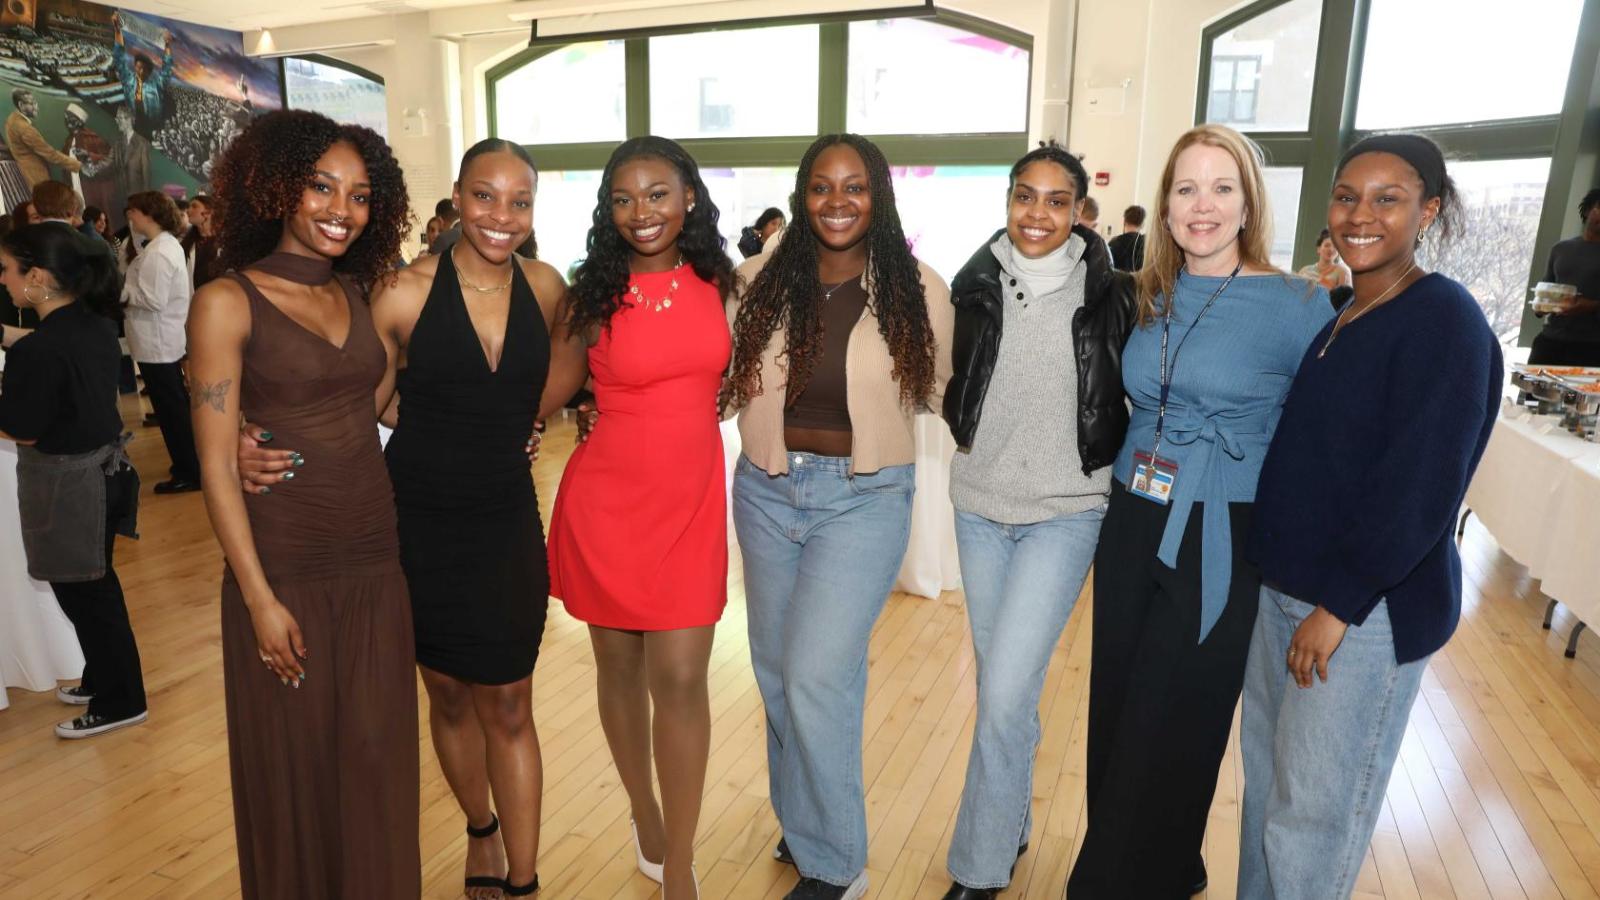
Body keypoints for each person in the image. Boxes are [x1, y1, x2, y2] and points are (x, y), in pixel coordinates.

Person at [238, 138, 569, 899]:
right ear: (457, 196)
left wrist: (535, 418)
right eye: (486, 197)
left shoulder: (549, 287)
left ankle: (524, 881)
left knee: (511, 702)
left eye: (520, 201)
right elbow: (356, 400)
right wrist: (240, 445)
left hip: (507, 523)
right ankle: (480, 832)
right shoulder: (402, 292)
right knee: (447, 696)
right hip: (415, 522)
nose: (502, 216)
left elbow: (563, 365)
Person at [1066, 124, 1332, 899]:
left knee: (1174, 714)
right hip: (1133, 516)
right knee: (1118, 707)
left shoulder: (1299, 304)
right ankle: (1168, 869)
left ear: (1248, 204)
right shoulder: (1144, 294)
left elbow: (1321, 440)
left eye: (1222, 188)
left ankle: (1107, 885)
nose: (1203, 205)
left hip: (1223, 526)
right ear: (1166, 205)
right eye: (1186, 188)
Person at [1240, 134, 1501, 899]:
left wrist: (1339, 604)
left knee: (1314, 818)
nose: (1361, 214)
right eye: (1348, 195)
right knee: (1268, 798)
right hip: (1287, 592)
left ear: (1430, 210)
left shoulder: (1442, 319)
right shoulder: (1345, 314)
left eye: (1388, 198)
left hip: (1359, 613)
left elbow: (1422, 484)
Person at [187, 109, 420, 898]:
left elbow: (377, 402)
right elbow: (217, 463)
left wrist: (497, 429)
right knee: (294, 765)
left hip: (374, 555)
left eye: (358, 195)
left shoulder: (359, 291)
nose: (339, 210)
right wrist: (257, 598)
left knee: (375, 759)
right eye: (321, 186)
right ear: (277, 187)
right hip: (284, 562)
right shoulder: (226, 300)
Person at [725, 133, 952, 900]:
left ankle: (835, 866)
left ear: (878, 197)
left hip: (862, 500)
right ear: (801, 195)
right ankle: (803, 819)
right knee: (777, 672)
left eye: (855, 187)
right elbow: (720, 377)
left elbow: (941, 390)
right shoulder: (756, 280)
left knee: (819, 673)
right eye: (822, 187)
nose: (837, 201)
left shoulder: (918, 287)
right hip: (765, 488)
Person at [939, 143, 1135, 900]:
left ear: (1081, 210)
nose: (1038, 213)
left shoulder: (1115, 292)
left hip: (1068, 509)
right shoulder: (973, 282)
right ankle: (1010, 816)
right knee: (1005, 689)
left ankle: (979, 868)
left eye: (1057, 200)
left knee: (1006, 691)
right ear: (1008, 199)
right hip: (980, 507)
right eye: (1026, 196)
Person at [546, 135, 734, 900]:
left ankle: (680, 861)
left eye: (657, 194)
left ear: (688, 196)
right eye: (623, 199)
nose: (641, 212)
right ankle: (644, 815)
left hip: (689, 504)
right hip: (606, 503)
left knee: (683, 677)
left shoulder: (724, 281)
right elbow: (544, 394)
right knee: (618, 672)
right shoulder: (589, 296)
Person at [0, 223, 147, 739]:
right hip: (102, 477)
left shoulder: (39, 352)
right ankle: (105, 678)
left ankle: (120, 699)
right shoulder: (90, 323)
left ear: (37, 277)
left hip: (71, 487)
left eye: (7, 270)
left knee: (86, 594)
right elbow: (48, 349)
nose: (3, 281)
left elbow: (20, 427)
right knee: (94, 588)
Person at [122, 190, 199, 493]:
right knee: (173, 410)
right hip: (160, 342)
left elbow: (153, 299)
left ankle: (189, 471)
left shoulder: (159, 251)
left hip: (159, 344)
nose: (130, 216)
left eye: (134, 211)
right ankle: (188, 465)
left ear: (149, 214)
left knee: (172, 413)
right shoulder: (162, 246)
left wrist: (123, 292)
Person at [1529, 187, 1600, 365]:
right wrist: (1540, 305)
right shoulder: (1561, 249)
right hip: (1550, 338)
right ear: (1586, 210)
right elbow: (1546, 287)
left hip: (1590, 345)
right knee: (1532, 392)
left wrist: (1591, 306)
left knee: (1577, 394)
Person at [111, 12, 175, 137]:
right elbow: (119, 58)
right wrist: (117, 30)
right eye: (138, 67)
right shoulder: (129, 80)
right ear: (135, 67)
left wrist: (167, 45)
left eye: (144, 69)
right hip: (132, 128)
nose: (141, 71)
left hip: (151, 130)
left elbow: (167, 69)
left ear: (149, 71)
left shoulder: (156, 85)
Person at [5, 89, 83, 188]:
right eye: (32, 104)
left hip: (26, 171)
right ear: (21, 105)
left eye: (35, 102)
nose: (36, 107)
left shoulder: (12, 118)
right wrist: (78, 165)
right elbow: (50, 154)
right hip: (36, 175)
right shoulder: (25, 129)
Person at [110, 105, 151, 205]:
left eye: (119, 118)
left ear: (128, 120)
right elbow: (108, 161)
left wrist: (146, 199)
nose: (116, 121)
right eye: (116, 118)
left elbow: (146, 174)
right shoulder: (117, 142)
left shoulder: (142, 143)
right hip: (120, 197)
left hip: (137, 199)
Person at [1296, 227, 1352, 292]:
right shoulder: (1304, 271)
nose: (1331, 249)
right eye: (1327, 245)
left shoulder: (1342, 272)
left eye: (1335, 246)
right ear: (1319, 249)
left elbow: (1346, 299)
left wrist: (1322, 281)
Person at [1107, 204, 1147, 272]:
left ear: (1124, 222)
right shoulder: (1147, 243)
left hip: (1118, 282)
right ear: (1142, 224)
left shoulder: (1113, 243)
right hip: (1141, 281)